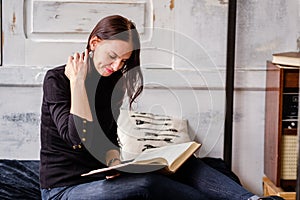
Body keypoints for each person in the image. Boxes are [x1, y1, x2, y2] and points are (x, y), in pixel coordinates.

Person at [39, 15, 284, 200]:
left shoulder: (110, 82)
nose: (116, 66)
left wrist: (114, 161)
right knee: (146, 184)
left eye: (123, 61)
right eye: (112, 56)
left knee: (187, 163)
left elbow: (108, 139)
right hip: (63, 190)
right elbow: (76, 139)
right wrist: (78, 83)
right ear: (94, 43)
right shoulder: (58, 80)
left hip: (98, 177)